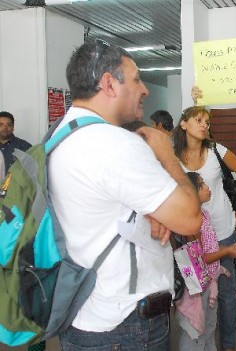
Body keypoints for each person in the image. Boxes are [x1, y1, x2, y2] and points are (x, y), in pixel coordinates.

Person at [49, 41, 202, 350]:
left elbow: (105, 200)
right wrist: (166, 154)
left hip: (84, 315)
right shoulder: (114, 145)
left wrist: (155, 211)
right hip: (125, 325)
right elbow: (190, 219)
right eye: (135, 79)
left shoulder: (61, 132)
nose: (144, 89)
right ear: (108, 83)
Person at [173, 105, 236, 351]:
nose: (204, 125)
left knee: (226, 294)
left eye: (207, 121)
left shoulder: (216, 151)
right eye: (199, 120)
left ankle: (228, 344)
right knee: (197, 294)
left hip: (223, 232)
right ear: (184, 125)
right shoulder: (174, 158)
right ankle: (200, 341)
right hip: (190, 236)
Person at [174, 172, 236, 351]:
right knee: (195, 329)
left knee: (209, 326)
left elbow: (208, 248)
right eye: (202, 185)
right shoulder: (192, 222)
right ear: (191, 193)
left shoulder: (204, 214)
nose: (208, 188)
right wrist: (226, 251)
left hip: (208, 282)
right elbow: (200, 258)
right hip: (197, 287)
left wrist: (225, 249)